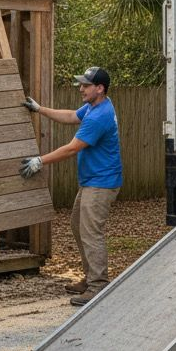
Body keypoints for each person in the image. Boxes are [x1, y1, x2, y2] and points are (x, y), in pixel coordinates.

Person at [19, 66, 122, 306]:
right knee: (78, 226)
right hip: (92, 181)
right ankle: (90, 278)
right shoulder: (94, 106)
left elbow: (72, 148)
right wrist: (39, 109)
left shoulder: (99, 116)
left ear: (100, 88)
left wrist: (39, 161)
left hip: (101, 183)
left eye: (86, 85)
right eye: (81, 84)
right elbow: (70, 116)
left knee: (90, 232)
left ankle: (98, 285)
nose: (81, 88)